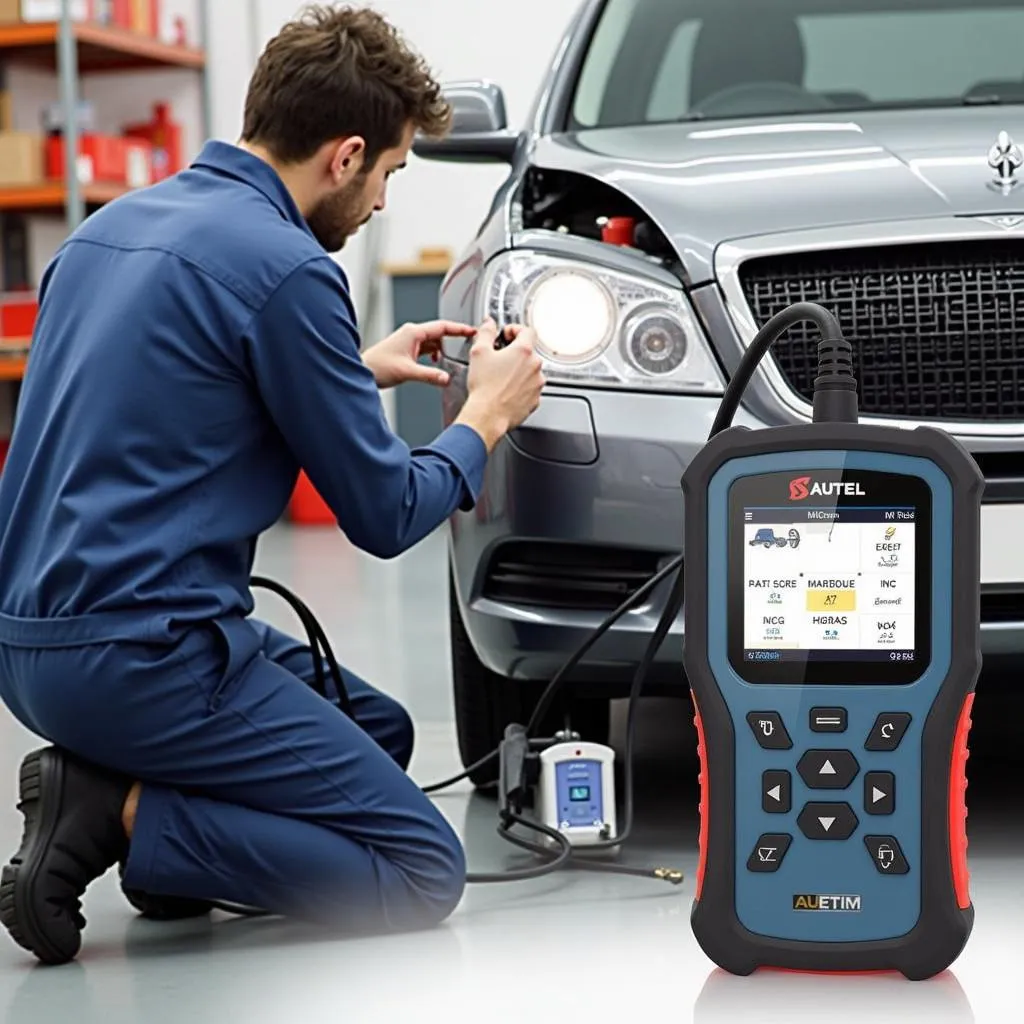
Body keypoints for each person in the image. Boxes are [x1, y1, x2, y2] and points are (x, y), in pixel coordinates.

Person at [0, 4, 545, 966]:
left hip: (31, 652)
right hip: (147, 659)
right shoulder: (287, 267)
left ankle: (165, 857)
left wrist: (346, 367)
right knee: (423, 867)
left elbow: (169, 387)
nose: (382, 201)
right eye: (389, 172)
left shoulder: (106, 232)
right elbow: (383, 515)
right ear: (343, 156)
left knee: (373, 727)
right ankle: (116, 812)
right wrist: (483, 422)